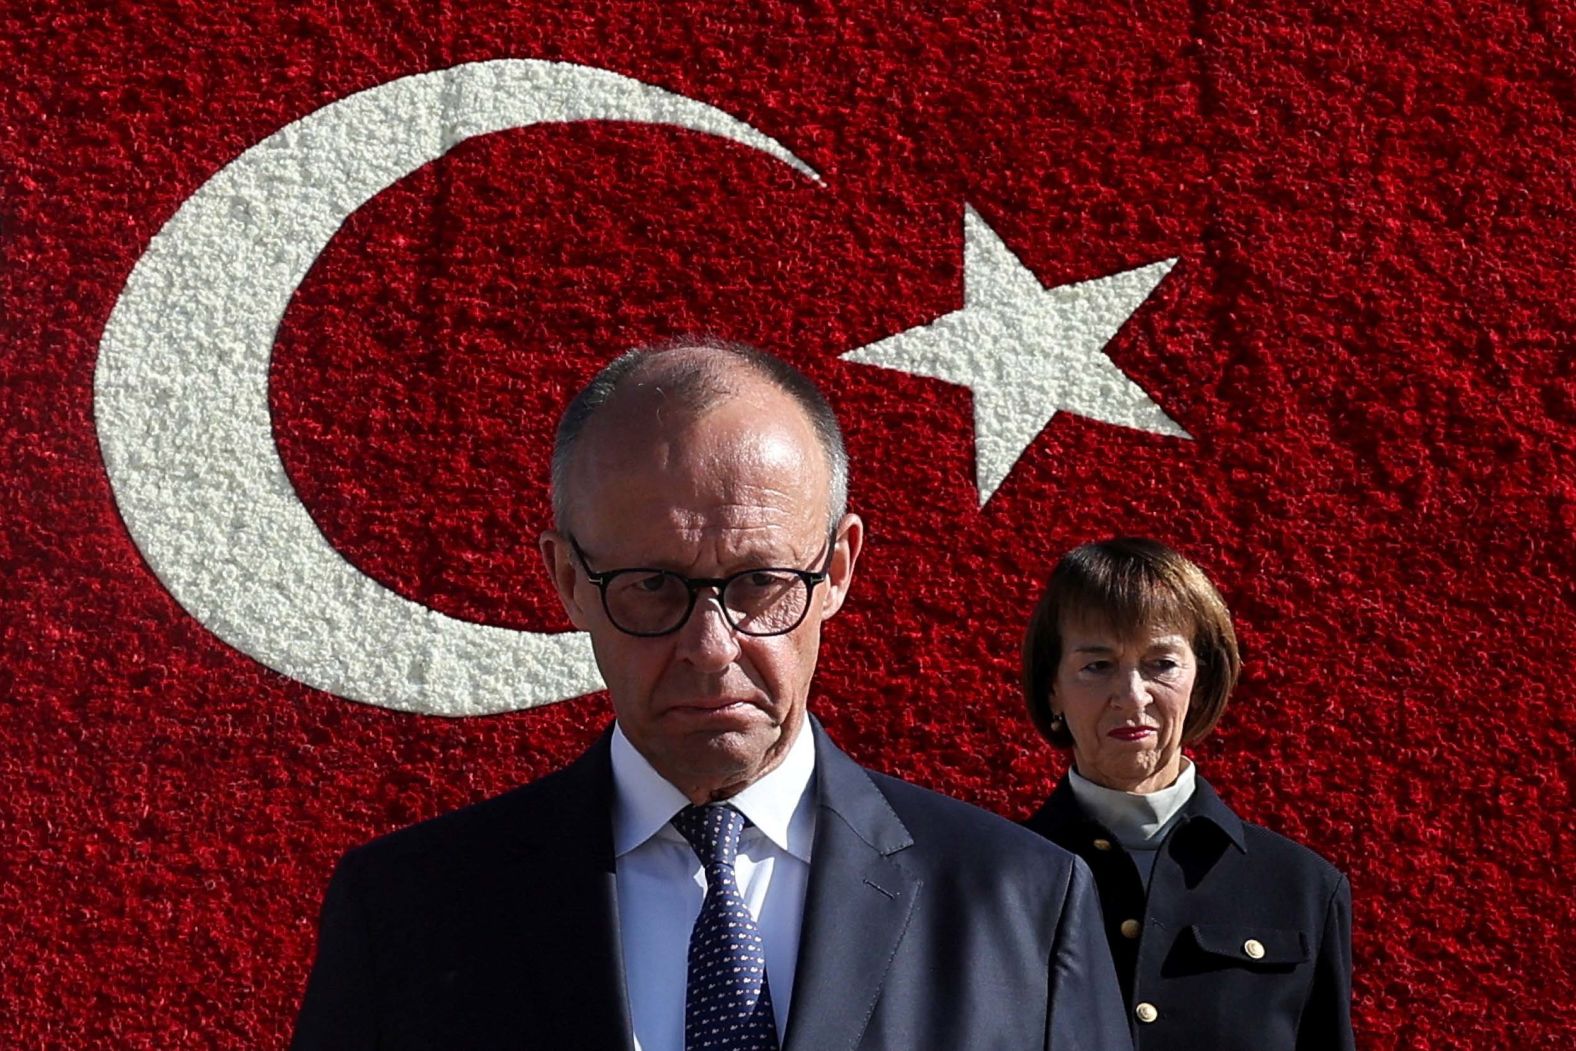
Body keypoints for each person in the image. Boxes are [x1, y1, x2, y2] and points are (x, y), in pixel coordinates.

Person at [291, 339, 1131, 1050]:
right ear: (566, 580)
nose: (710, 645)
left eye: (762, 582)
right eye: (652, 586)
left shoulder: (1019, 905)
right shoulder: (408, 913)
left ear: (837, 568)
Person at [1019, 538, 1355, 1051]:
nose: (1132, 695)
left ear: (1199, 680)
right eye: (1097, 665)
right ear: (1052, 689)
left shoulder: (1302, 888)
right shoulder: (994, 880)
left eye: (1161, 664)